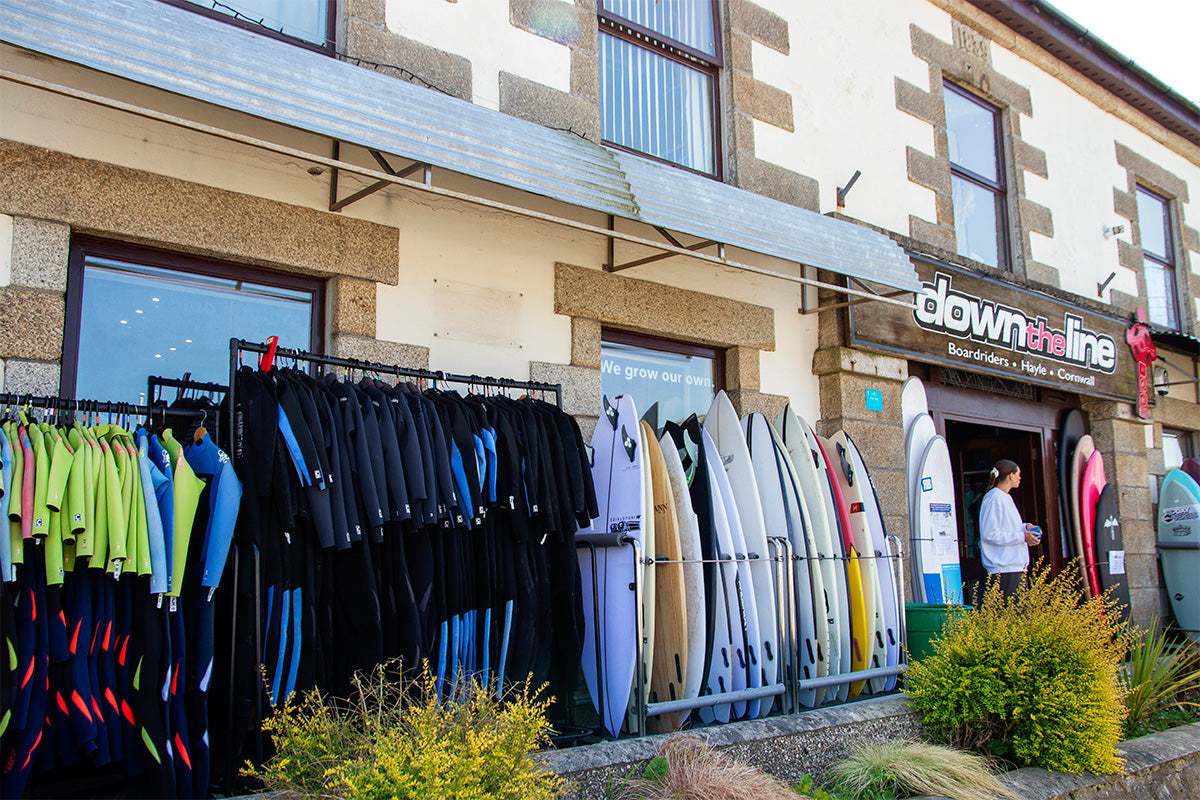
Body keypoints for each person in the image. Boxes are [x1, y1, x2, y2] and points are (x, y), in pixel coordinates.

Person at [978, 459, 1041, 599]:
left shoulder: (1005, 497)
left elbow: (1008, 527)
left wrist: (1027, 527)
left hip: (1014, 568)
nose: (1020, 478)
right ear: (1010, 476)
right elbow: (990, 534)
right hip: (1004, 570)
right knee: (1010, 616)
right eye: (1018, 474)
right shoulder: (994, 498)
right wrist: (1023, 537)